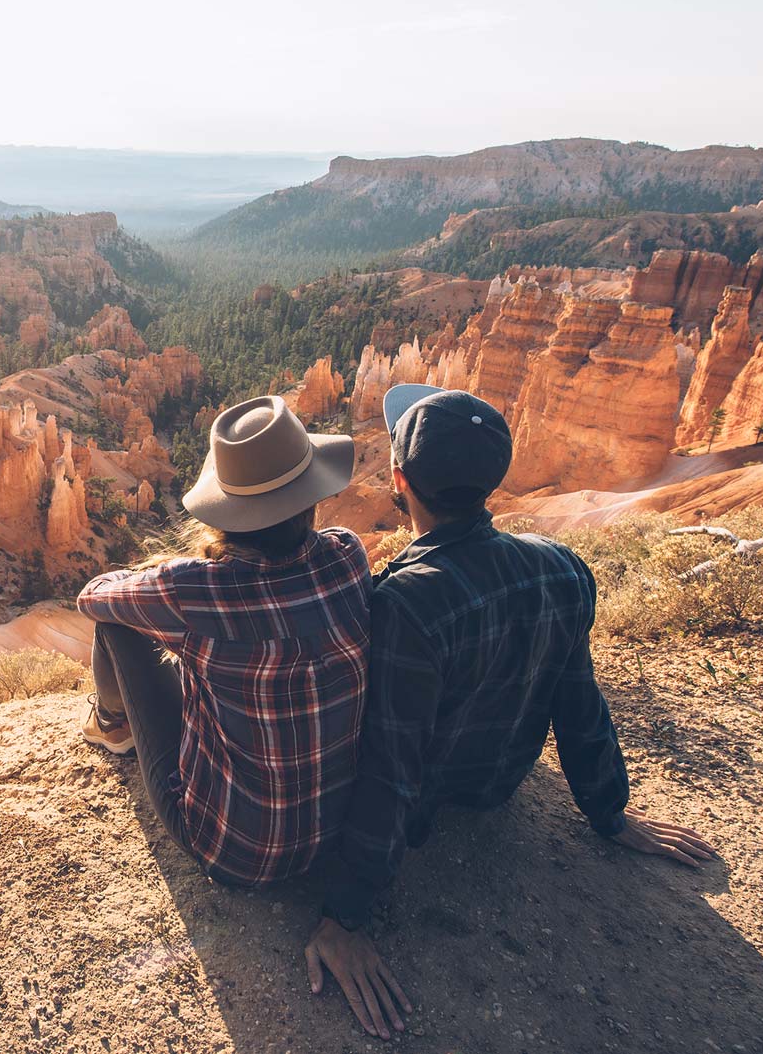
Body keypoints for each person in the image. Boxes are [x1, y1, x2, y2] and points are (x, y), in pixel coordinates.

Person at [303, 385, 718, 1039]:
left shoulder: (404, 604)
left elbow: (393, 766)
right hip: (499, 784)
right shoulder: (563, 568)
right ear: (494, 477)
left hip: (437, 798)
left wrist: (344, 916)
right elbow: (579, 698)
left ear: (398, 479)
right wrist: (607, 811)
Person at [76, 394, 370, 888]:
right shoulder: (347, 555)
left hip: (235, 853)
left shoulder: (196, 589)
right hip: (340, 831)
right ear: (311, 497)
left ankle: (112, 727)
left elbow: (94, 598)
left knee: (116, 627)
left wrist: (156, 575)